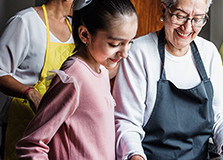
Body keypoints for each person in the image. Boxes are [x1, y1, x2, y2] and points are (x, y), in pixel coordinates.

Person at [113, 0, 223, 159]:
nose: (187, 28)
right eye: (180, 16)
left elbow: (222, 114)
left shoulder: (208, 53)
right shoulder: (139, 53)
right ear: (164, 11)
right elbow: (127, 123)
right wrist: (135, 156)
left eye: (197, 19)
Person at [15, 0, 137, 159]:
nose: (125, 53)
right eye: (115, 44)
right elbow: (31, 145)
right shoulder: (73, 78)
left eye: (130, 42)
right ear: (85, 35)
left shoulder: (102, 71)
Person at [0, 0, 76, 159]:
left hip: (57, 126)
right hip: (24, 121)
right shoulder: (25, 22)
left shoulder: (74, 27)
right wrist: (30, 93)